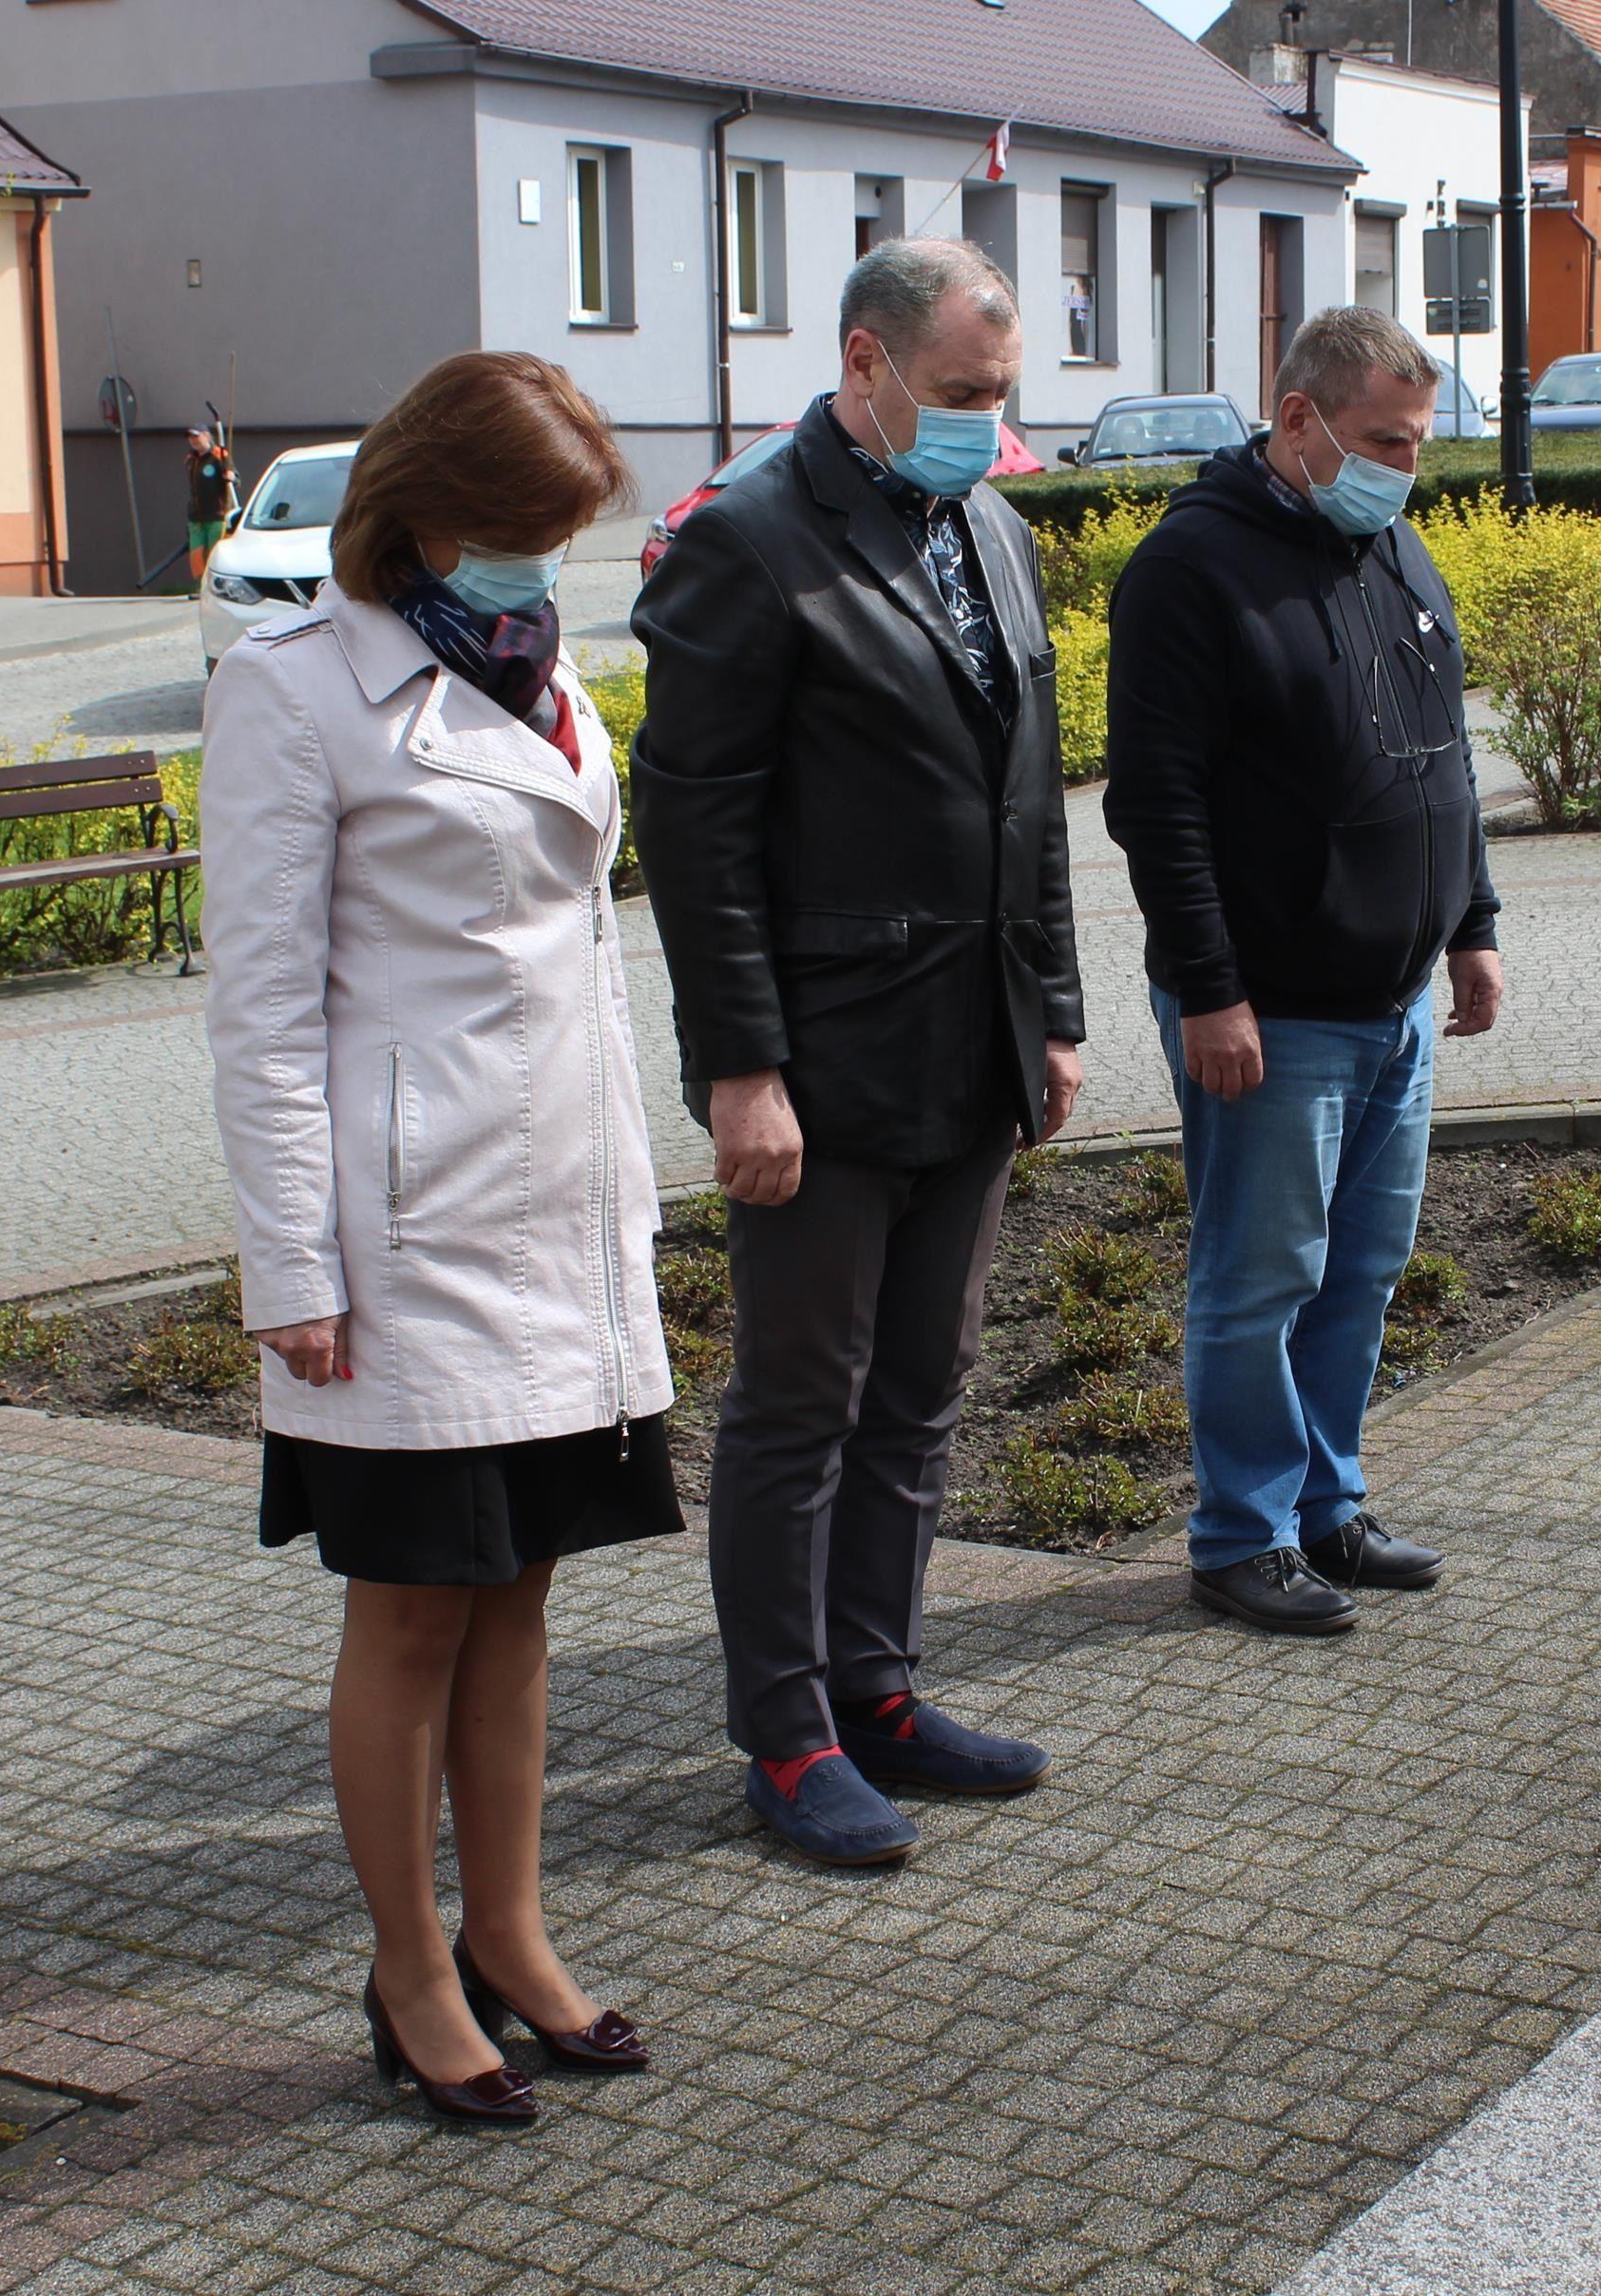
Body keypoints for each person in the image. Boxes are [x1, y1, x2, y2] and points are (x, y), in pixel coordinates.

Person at [199, 351, 676, 2127]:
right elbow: (258, 1009)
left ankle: (513, 1933)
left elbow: (581, 960)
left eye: (557, 540)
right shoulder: (295, 691)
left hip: (559, 1214)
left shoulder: (547, 683)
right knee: (410, 1617)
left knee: (522, 1602)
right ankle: (409, 1972)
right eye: (510, 533)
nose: (537, 571)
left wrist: (635, 1207)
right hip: (399, 1240)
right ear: (419, 513)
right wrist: (292, 1267)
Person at [629, 239, 1085, 1868]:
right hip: (820, 1064)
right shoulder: (747, 546)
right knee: (798, 1404)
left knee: (921, 1384)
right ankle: (787, 1735)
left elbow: (1028, 795)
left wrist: (1056, 1009)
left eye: (1003, 398)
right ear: (865, 363)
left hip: (968, 1047)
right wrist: (738, 1068)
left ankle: (880, 1691)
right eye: (963, 396)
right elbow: (697, 836)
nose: (988, 425)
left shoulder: (988, 528)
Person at [1103, 305, 1504, 1637]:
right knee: (1260, 1275)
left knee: (1361, 1270)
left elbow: (1438, 757)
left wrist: (1473, 923)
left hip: (1391, 1007)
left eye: (1418, 443)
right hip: (1270, 1009)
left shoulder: (1391, 546)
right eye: (1385, 440)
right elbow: (1156, 807)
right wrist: (1210, 990)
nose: (1407, 468)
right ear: (1298, 421)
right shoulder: (1192, 572)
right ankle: (1240, 1536)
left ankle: (1326, 1508)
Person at [185, 424, 235, 590]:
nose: (193, 441)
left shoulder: (219, 456)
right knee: (197, 555)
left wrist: (231, 476)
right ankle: (201, 588)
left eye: (197, 437)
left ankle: (216, 588)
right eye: (191, 438)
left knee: (215, 554)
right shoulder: (191, 459)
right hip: (196, 517)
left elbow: (236, 477)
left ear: (206, 436)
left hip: (216, 515)